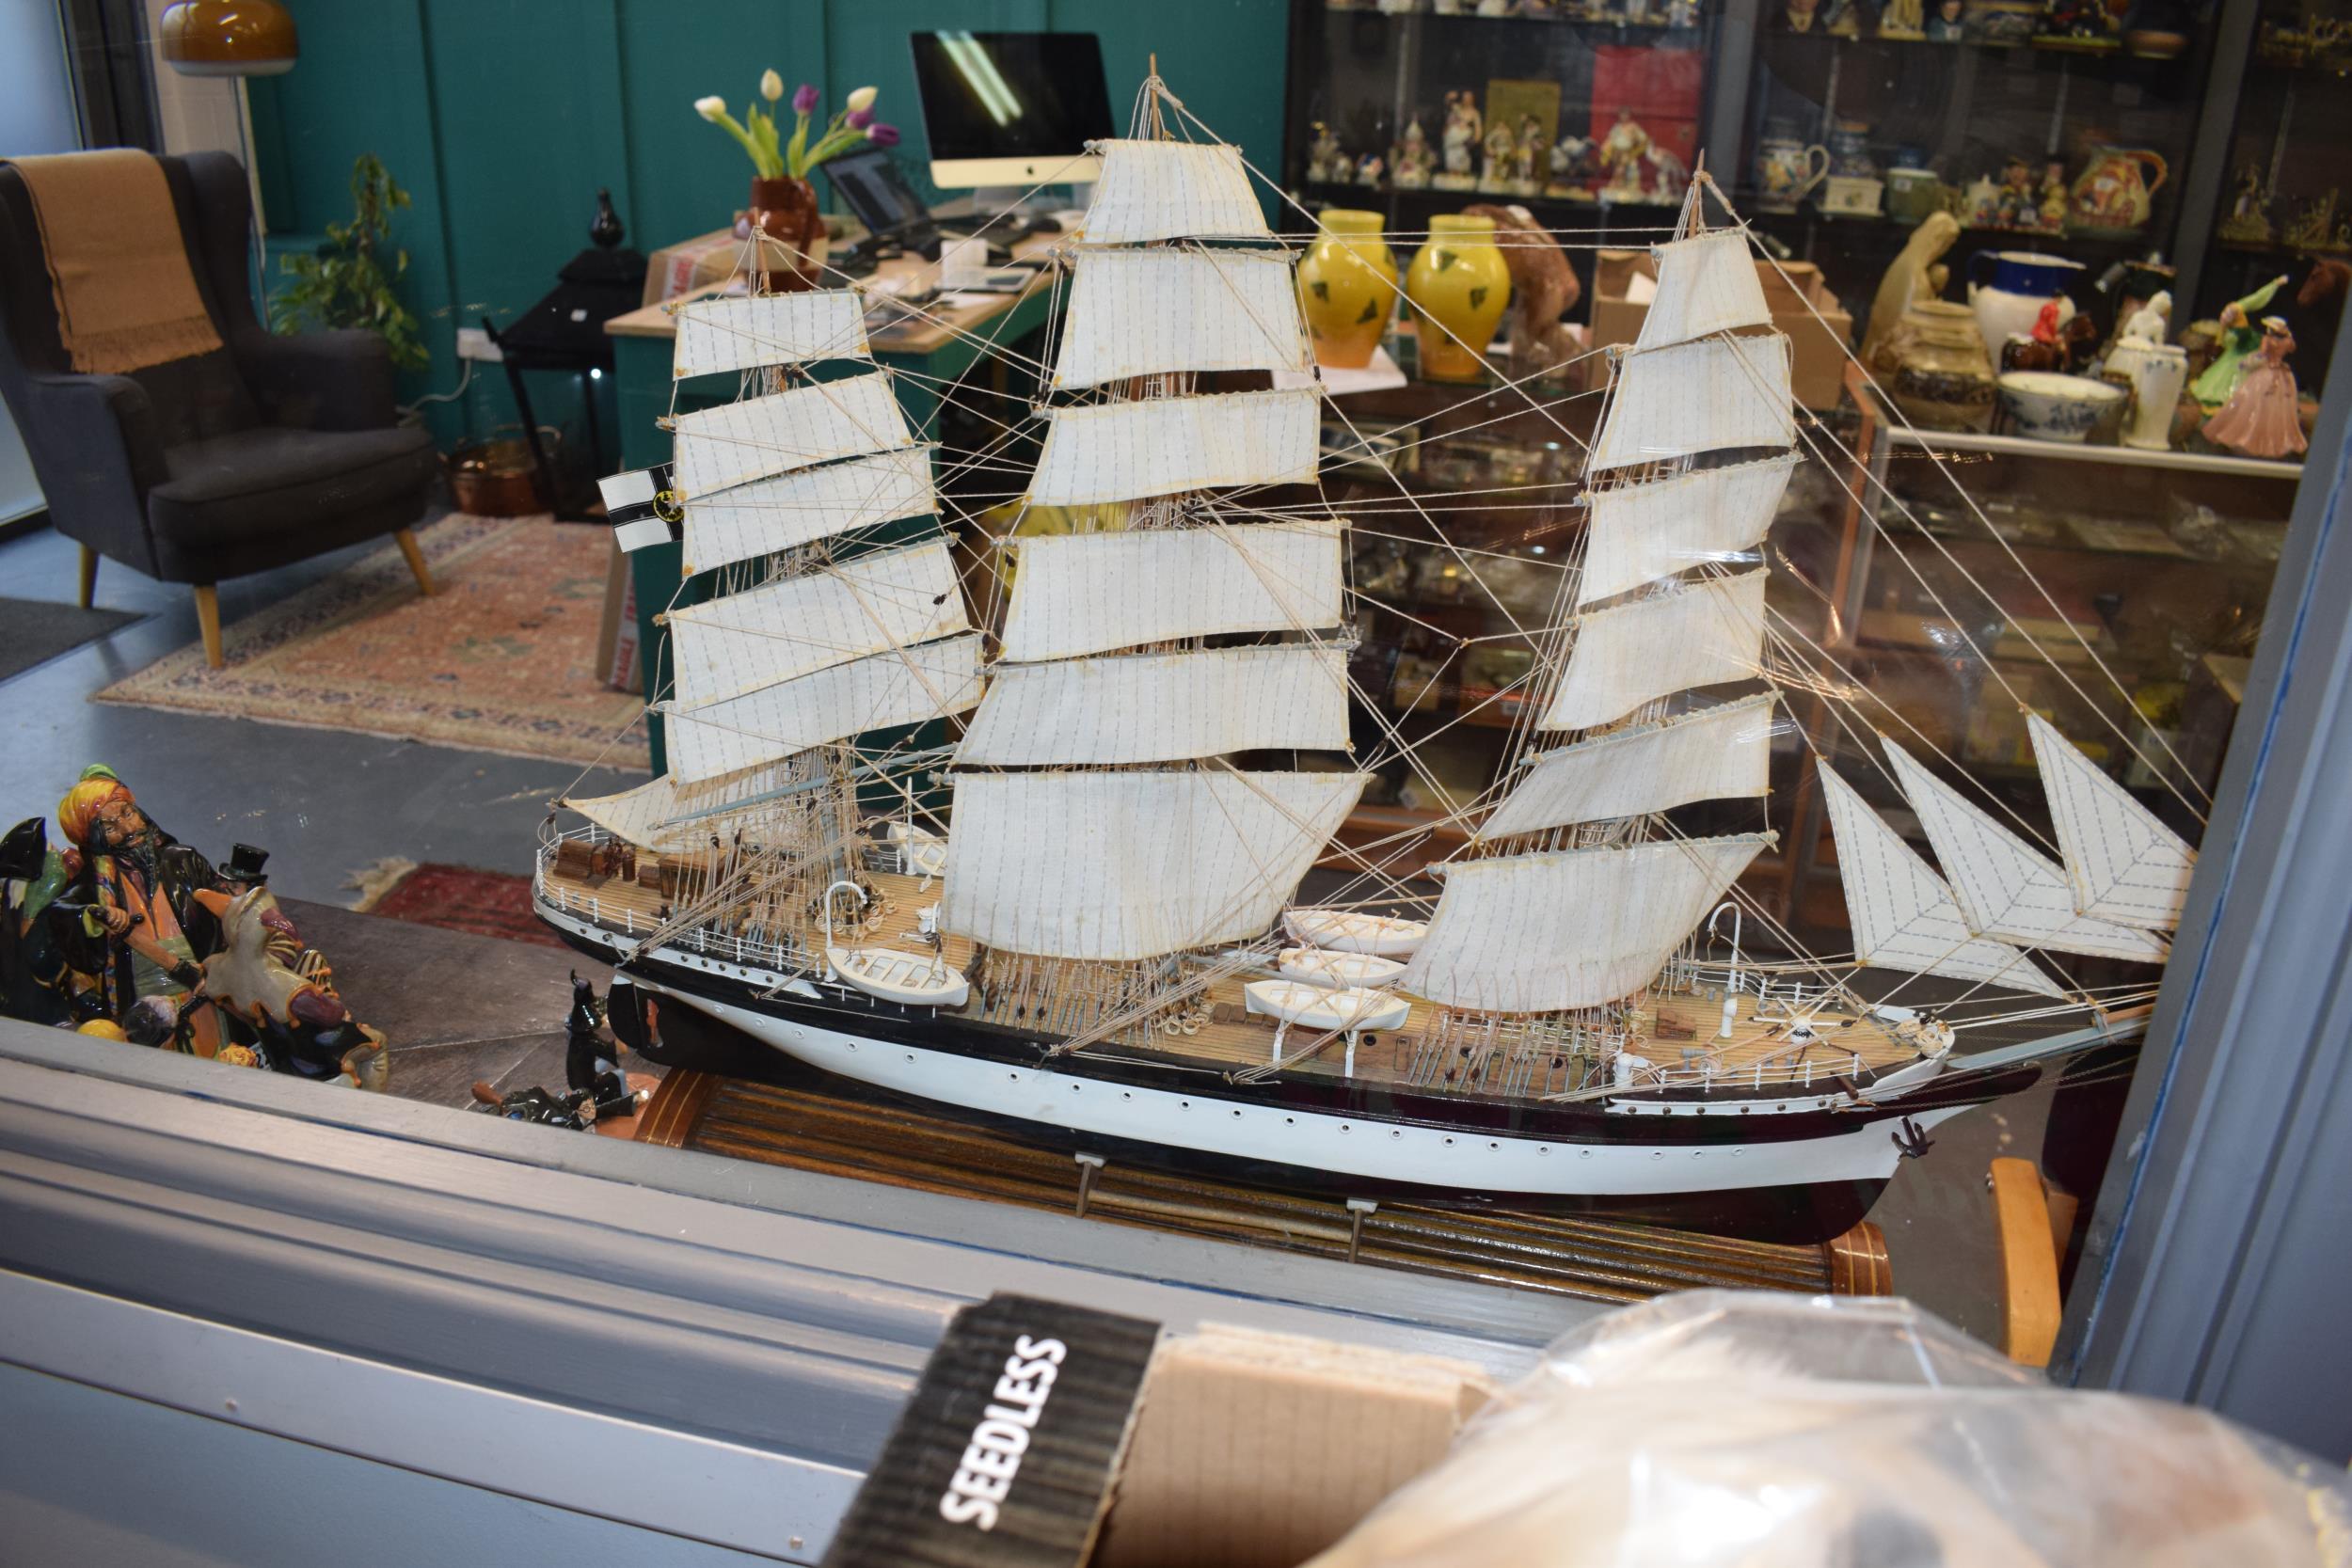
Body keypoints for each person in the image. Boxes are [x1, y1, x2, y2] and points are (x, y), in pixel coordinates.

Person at [2201, 317, 2306, 459]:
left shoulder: (2267, 340)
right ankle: (2272, 442)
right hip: (2281, 375)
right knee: (2278, 407)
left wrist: (2248, 361)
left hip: (2266, 374)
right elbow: (2292, 348)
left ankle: (2252, 439)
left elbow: (2262, 354)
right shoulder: (2288, 341)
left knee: (2253, 403)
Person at [2190, 275, 2287, 411]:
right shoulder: (2228, 325)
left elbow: (2257, 298)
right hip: (2235, 349)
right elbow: (2223, 339)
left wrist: (2274, 285)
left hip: (2243, 348)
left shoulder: (2240, 321)